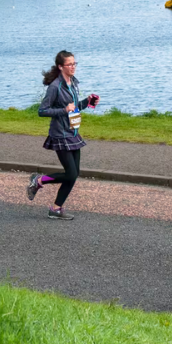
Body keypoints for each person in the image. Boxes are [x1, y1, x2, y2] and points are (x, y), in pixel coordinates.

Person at [27, 51, 99, 220]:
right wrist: (63, 110)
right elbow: (42, 111)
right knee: (71, 174)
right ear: (60, 67)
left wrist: (87, 102)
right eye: (69, 64)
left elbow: (73, 107)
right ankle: (39, 180)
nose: (73, 67)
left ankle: (56, 209)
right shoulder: (55, 86)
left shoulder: (72, 82)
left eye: (75, 64)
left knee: (74, 174)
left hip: (72, 132)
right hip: (60, 134)